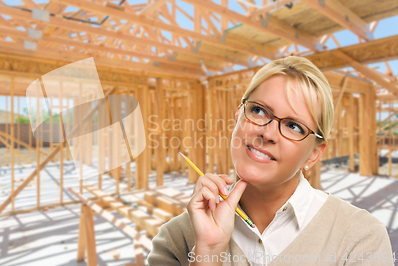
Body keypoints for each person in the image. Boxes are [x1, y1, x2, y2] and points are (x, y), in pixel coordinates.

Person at [147, 56, 394, 266]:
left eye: (294, 126)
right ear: (237, 119)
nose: (267, 133)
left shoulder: (360, 239)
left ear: (314, 154)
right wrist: (207, 255)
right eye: (258, 111)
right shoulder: (177, 239)